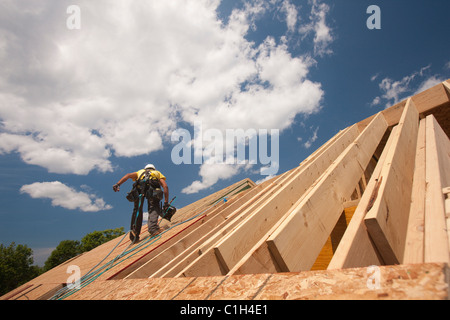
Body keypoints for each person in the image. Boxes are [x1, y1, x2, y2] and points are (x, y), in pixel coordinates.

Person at [113, 164, 169, 242]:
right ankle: (153, 229)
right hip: (153, 190)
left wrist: (118, 184)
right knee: (154, 207)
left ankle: (134, 236)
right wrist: (166, 202)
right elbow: (165, 186)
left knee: (137, 210)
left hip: (139, 190)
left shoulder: (140, 172)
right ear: (154, 169)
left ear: (145, 168)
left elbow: (128, 175)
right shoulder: (157, 173)